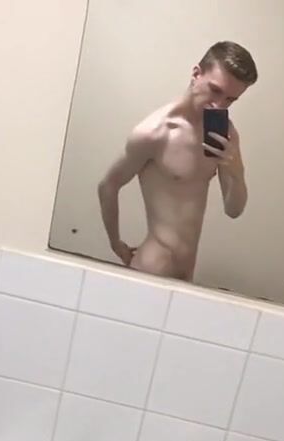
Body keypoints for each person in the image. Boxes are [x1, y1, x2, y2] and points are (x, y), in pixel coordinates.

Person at [97, 41, 257, 281]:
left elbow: (234, 210)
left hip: (187, 271)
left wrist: (236, 169)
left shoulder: (225, 134)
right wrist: (116, 243)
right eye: (215, 90)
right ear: (196, 74)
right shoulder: (154, 132)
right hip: (153, 267)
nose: (219, 105)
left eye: (230, 100)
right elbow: (107, 186)